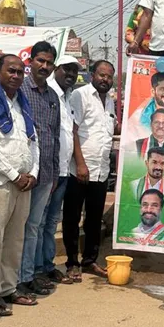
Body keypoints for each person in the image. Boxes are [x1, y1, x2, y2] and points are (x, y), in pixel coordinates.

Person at [0, 54, 40, 315]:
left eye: (20, 72)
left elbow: (33, 141)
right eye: (11, 71)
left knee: (16, 240)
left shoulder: (22, 103)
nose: (16, 76)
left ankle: (9, 287)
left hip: (24, 183)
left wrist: (33, 173)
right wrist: (13, 174)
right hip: (1, 182)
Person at [62, 60, 117, 280]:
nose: (105, 79)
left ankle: (89, 261)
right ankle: (72, 262)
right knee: (72, 217)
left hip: (101, 170)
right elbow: (73, 130)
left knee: (94, 219)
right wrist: (80, 163)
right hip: (80, 170)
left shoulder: (110, 101)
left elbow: (107, 130)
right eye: (102, 75)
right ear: (92, 74)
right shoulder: (80, 95)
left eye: (109, 76)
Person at [18, 41, 60, 296]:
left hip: (45, 174)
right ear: (30, 61)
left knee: (34, 225)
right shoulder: (19, 89)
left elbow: (54, 136)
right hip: (23, 174)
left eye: (49, 62)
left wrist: (53, 174)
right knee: (17, 227)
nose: (44, 66)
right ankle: (14, 280)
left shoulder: (53, 96)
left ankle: (28, 275)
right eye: (40, 61)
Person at [38, 55, 81, 286]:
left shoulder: (68, 97)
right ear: (56, 69)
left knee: (51, 222)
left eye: (74, 71)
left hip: (64, 170)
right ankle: (36, 270)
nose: (71, 74)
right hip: (48, 171)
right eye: (67, 69)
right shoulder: (48, 93)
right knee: (39, 222)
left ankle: (47, 265)